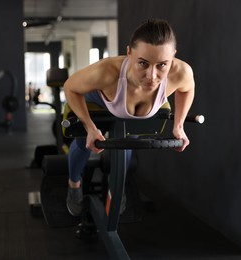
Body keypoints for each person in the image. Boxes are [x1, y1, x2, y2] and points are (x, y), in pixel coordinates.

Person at [64, 18, 195, 216]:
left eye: (162, 65)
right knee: (84, 143)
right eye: (143, 63)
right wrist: (90, 127)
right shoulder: (106, 72)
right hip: (100, 99)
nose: (152, 75)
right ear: (129, 53)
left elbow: (187, 89)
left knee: (128, 140)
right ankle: (74, 183)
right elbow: (70, 87)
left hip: (132, 112)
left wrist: (179, 125)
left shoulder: (181, 72)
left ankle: (116, 185)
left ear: (173, 57)